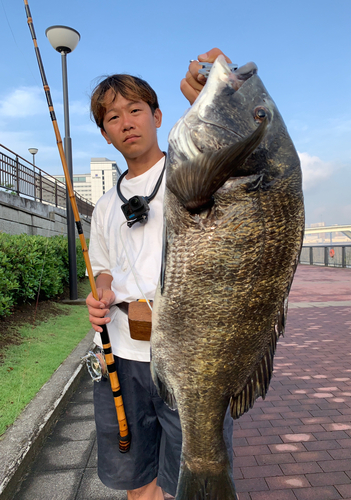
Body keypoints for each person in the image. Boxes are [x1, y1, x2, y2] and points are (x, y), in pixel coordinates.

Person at [86, 48, 233, 500]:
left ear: (157, 115)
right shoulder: (106, 206)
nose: (126, 122)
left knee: (194, 477)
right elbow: (104, 268)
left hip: (190, 352)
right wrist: (101, 295)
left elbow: (228, 153)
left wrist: (208, 93)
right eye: (113, 117)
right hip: (121, 352)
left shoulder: (191, 174)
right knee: (137, 477)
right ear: (107, 134)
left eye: (135, 110)